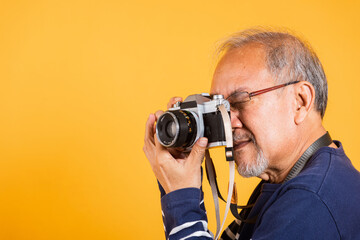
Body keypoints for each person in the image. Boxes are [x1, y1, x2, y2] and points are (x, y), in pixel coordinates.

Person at [143, 29, 360, 240]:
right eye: (219, 110)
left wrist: (182, 199)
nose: (229, 123)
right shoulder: (297, 182)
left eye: (239, 101)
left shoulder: (311, 200)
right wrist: (178, 180)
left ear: (300, 101)